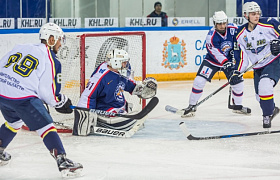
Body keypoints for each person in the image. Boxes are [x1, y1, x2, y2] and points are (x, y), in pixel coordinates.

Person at [0, 23, 83, 177]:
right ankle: (62, 161)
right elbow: (48, 93)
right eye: (59, 40)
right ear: (51, 39)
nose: (60, 44)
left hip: (2, 93)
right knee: (46, 125)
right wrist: (60, 102)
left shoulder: (21, 47)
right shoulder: (51, 59)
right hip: (21, 97)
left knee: (14, 122)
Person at [73, 48, 157, 136]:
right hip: (105, 109)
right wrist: (85, 116)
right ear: (116, 62)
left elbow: (127, 83)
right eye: (124, 62)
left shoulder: (122, 70)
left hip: (119, 104)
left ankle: (123, 113)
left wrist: (140, 89)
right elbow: (88, 96)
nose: (126, 64)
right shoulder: (101, 76)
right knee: (129, 119)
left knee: (130, 114)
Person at [181, 11, 251, 117]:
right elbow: (215, 53)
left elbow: (242, 42)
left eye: (224, 23)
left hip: (230, 62)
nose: (222, 26)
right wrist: (225, 62)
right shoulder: (211, 35)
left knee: (238, 82)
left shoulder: (234, 29)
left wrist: (235, 61)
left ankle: (238, 106)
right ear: (214, 23)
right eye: (219, 24)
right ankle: (191, 106)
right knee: (199, 81)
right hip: (212, 61)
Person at [231, 1, 280, 128]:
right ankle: (272, 109)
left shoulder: (270, 23)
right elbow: (241, 56)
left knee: (265, 87)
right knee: (260, 98)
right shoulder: (240, 34)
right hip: (258, 67)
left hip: (273, 61)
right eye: (253, 14)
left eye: (258, 13)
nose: (257, 16)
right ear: (246, 15)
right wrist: (237, 72)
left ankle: (266, 117)